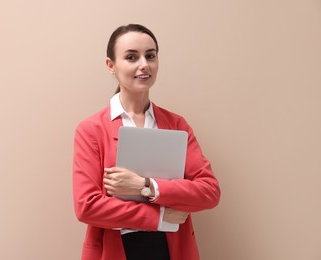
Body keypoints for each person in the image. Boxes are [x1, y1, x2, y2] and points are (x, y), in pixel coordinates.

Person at [73, 24, 221, 260]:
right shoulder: (91, 130)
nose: (144, 64)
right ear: (111, 65)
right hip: (115, 248)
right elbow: (87, 206)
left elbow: (209, 191)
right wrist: (160, 217)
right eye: (131, 57)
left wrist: (146, 185)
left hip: (170, 248)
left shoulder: (177, 124)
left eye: (150, 56)